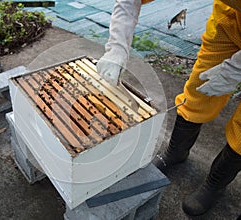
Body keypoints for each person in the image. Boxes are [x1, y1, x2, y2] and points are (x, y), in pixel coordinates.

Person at [97, 0, 241, 216]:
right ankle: (177, 151)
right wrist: (117, 47)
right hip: (228, 19)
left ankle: (215, 183)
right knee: (198, 89)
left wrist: (233, 70)